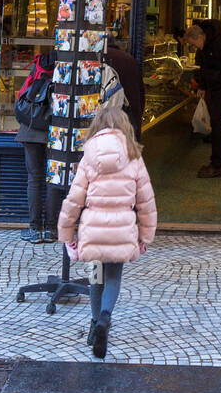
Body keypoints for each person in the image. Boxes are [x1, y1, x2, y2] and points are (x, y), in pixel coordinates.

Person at [57, 103, 157, 359]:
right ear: (125, 126)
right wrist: (145, 237)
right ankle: (105, 319)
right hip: (122, 229)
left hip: (93, 229)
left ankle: (93, 325)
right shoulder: (134, 155)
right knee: (113, 277)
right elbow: (146, 202)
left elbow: (74, 199)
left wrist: (68, 236)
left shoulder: (89, 155)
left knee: (96, 278)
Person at [185, 18, 221, 179]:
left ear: (201, 37)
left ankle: (218, 165)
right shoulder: (207, 45)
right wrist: (203, 86)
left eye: (194, 44)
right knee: (216, 124)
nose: (195, 48)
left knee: (218, 125)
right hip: (213, 88)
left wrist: (217, 78)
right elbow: (204, 67)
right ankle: (216, 162)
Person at [16, 50, 57, 244]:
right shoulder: (67, 65)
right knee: (52, 180)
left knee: (34, 178)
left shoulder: (40, 63)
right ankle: (50, 229)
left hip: (31, 128)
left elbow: (23, 93)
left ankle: (34, 229)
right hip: (55, 130)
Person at [104, 31, 145, 140]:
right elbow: (140, 97)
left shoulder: (95, 59)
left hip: (104, 125)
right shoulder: (130, 60)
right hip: (127, 123)